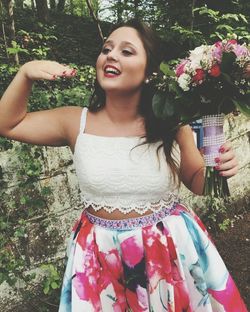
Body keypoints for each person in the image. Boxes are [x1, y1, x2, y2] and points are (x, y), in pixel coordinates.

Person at [0, 19, 247, 312]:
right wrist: (26, 73)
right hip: (100, 258)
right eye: (106, 49)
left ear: (148, 72)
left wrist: (216, 169)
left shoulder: (170, 121)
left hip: (166, 253)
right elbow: (8, 123)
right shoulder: (73, 122)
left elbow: (195, 179)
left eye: (127, 51)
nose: (111, 55)